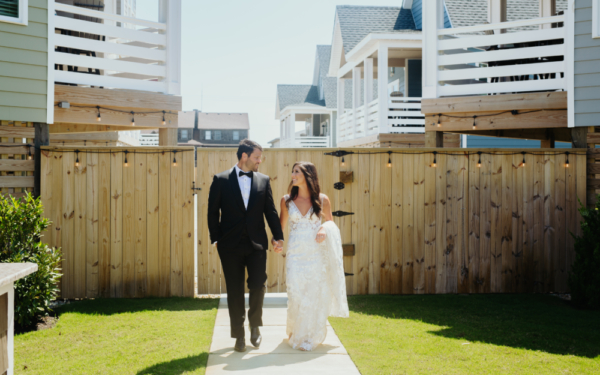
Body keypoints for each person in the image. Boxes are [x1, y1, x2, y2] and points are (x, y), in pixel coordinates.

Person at [207, 139, 284, 352]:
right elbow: (213, 212)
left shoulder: (264, 180)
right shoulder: (221, 180)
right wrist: (216, 238)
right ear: (244, 156)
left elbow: (270, 211)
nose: (260, 161)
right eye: (257, 157)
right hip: (229, 246)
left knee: (258, 285)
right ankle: (238, 334)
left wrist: (278, 236)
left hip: (257, 245)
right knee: (234, 290)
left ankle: (255, 325)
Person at [278, 161, 349, 351]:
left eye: (297, 172)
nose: (293, 175)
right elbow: (280, 230)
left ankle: (309, 336)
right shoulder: (286, 201)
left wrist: (324, 229)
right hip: (295, 256)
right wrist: (277, 242)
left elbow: (331, 223)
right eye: (292, 172)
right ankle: (295, 330)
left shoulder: (322, 200)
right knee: (296, 294)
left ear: (307, 176)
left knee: (312, 295)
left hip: (315, 255)